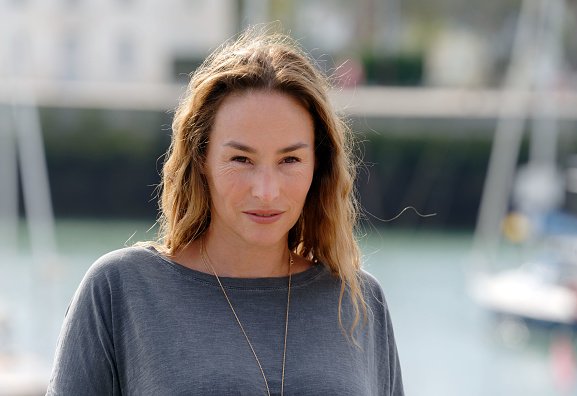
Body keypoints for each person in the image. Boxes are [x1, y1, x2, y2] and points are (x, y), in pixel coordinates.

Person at [46, 27, 404, 396]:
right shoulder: (122, 289)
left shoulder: (359, 300)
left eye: (290, 159)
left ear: (319, 164)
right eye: (241, 159)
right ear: (201, 158)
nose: (266, 191)